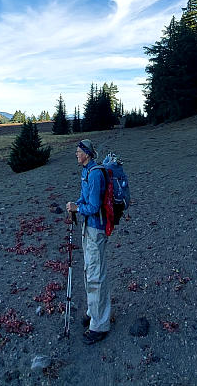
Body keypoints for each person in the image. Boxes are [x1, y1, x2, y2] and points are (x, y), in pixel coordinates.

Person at [65, 138, 112, 345]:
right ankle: (93, 312)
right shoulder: (86, 172)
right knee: (89, 271)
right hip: (89, 228)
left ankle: (100, 325)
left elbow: (93, 207)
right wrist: (75, 204)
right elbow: (86, 200)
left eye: (78, 151)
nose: (76, 154)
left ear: (87, 153)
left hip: (96, 229)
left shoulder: (94, 175)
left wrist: (77, 209)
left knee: (95, 274)